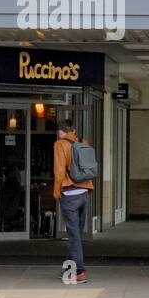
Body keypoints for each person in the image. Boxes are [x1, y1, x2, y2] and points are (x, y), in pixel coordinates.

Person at [53, 119, 94, 283]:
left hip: (69, 194)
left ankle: (78, 272)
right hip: (84, 192)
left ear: (60, 131)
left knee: (73, 235)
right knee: (75, 233)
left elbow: (59, 171)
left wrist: (57, 192)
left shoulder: (60, 144)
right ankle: (69, 269)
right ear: (74, 130)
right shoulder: (83, 142)